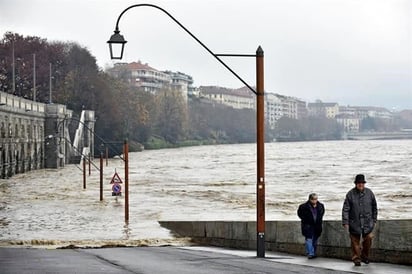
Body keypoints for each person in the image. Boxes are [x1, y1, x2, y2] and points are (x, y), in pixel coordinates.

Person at [342, 174, 378, 266]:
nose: (360, 184)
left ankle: (365, 256)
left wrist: (374, 219)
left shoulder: (370, 193)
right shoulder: (350, 194)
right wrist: (345, 222)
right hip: (354, 222)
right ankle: (356, 259)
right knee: (355, 242)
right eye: (358, 183)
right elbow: (346, 209)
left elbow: (374, 207)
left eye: (362, 183)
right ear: (356, 184)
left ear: (364, 183)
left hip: (368, 223)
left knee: (369, 238)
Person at [297, 193, 325, 259]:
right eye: (313, 199)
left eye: (316, 199)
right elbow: (299, 214)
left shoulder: (321, 206)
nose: (314, 201)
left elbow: (322, 213)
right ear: (310, 199)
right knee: (309, 239)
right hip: (308, 225)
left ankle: (313, 252)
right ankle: (310, 253)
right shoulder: (303, 206)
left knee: (315, 239)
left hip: (317, 225)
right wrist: (305, 219)